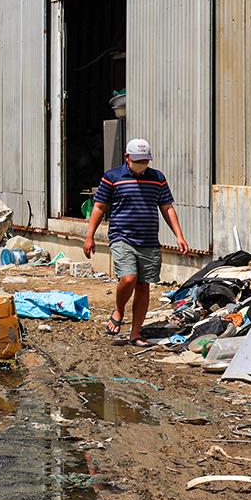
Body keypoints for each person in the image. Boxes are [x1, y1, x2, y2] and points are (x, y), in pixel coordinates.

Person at [83, 138, 190, 346]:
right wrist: (90, 236)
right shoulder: (112, 177)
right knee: (129, 278)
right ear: (127, 158)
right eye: (138, 160)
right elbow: (99, 207)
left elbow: (167, 207)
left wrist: (179, 235)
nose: (142, 164)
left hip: (149, 240)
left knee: (143, 285)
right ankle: (119, 309)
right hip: (122, 237)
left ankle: (135, 333)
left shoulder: (157, 178)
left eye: (145, 161)